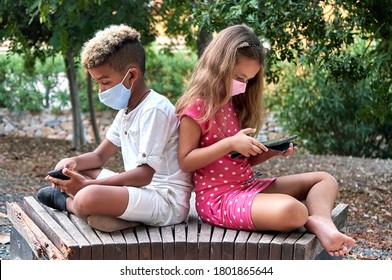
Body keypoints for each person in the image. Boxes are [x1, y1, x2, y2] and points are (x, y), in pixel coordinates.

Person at [175, 24, 355, 257]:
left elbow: (237, 162)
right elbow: (186, 161)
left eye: (248, 80)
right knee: (294, 211)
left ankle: (321, 221)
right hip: (218, 200)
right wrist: (230, 143)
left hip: (248, 186)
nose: (243, 85)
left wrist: (271, 151)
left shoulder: (231, 104)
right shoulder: (197, 107)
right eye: (239, 77)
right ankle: (311, 220)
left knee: (324, 180)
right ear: (219, 65)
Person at [37, 24, 192, 232]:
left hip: (164, 201)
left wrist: (87, 186)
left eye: (105, 82)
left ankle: (70, 204)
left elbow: (144, 175)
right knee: (83, 169)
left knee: (87, 196)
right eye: (98, 84)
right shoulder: (127, 110)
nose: (101, 91)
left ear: (131, 76)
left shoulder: (155, 109)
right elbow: (99, 157)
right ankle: (118, 216)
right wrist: (69, 164)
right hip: (138, 191)